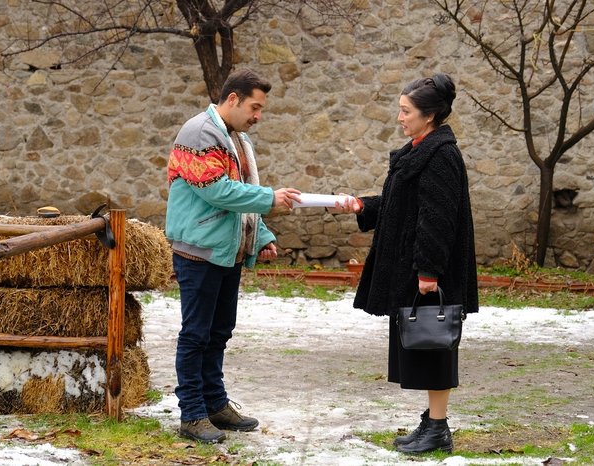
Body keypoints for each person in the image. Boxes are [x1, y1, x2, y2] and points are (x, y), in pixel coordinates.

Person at [330, 73, 478, 454]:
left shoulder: (441, 155)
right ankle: (432, 422)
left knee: (435, 347)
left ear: (429, 116)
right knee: (425, 348)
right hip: (417, 268)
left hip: (430, 272)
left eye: (406, 111)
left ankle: (438, 428)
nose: (399, 118)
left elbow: (437, 219)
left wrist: (428, 272)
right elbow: (402, 205)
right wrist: (362, 206)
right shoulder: (421, 150)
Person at [165, 69, 301, 443]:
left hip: (226, 252)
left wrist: (262, 235)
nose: (258, 116)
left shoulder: (235, 137)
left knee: (219, 331)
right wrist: (270, 199)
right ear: (233, 99)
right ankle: (192, 414)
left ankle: (214, 404)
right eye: (255, 107)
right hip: (199, 253)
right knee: (196, 334)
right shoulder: (199, 133)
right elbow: (217, 191)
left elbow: (242, 192)